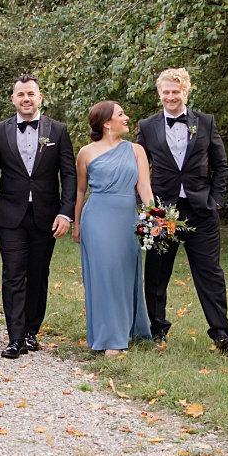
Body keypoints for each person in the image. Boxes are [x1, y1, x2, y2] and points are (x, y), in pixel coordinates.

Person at [134, 68, 228, 352]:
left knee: (210, 272)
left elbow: (221, 165)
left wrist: (215, 200)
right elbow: (139, 169)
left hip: (201, 210)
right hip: (160, 212)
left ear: (186, 92)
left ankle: (222, 334)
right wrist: (146, 206)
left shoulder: (205, 122)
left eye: (175, 92)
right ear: (159, 94)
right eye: (165, 92)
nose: (170, 97)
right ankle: (157, 330)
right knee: (156, 272)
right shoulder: (147, 126)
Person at [0, 74, 76, 358]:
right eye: (20, 94)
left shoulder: (57, 130)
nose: (26, 99)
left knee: (38, 274)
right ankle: (15, 337)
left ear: (40, 97)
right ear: (13, 99)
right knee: (13, 274)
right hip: (11, 216)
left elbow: (69, 175)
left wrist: (66, 212)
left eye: (30, 94)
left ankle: (32, 332)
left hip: (46, 215)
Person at [73, 101, 153, 355]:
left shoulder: (137, 150)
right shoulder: (86, 152)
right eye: (121, 114)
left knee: (125, 272)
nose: (127, 117)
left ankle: (131, 329)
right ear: (107, 123)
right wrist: (76, 224)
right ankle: (110, 338)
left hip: (127, 219)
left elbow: (144, 189)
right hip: (97, 218)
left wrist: (155, 218)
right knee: (104, 275)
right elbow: (79, 190)